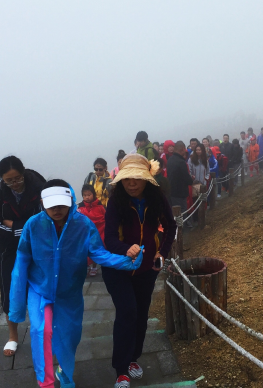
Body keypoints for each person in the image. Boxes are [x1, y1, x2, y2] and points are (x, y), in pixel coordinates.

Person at [9, 179, 143, 388]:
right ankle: (46, 383)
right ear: (43, 203)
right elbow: (21, 263)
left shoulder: (82, 225)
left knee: (69, 337)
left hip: (69, 293)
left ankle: (65, 372)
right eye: (51, 204)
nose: (57, 209)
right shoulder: (33, 226)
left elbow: (98, 253)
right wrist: (16, 309)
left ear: (71, 200)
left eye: (62, 204)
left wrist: (127, 260)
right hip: (40, 290)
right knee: (40, 331)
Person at [104, 155, 177, 388]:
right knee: (127, 312)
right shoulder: (116, 201)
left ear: (147, 179)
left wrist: (162, 253)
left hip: (147, 268)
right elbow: (110, 239)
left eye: (137, 178)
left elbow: (171, 226)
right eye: (127, 179)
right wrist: (127, 249)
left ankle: (133, 359)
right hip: (118, 268)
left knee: (141, 314)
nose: (132, 184)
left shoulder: (157, 199)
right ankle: (121, 370)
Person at [0, 155, 46, 357]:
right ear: (1, 178)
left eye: (18, 178)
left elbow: (46, 216)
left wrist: (14, 225)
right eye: (9, 180)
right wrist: (25, 228)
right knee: (10, 289)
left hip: (40, 246)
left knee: (43, 286)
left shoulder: (39, 187)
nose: (15, 184)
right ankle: (12, 336)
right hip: (9, 250)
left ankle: (46, 330)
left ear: (24, 172)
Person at [77, 184, 106, 277]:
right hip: (86, 233)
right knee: (85, 249)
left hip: (99, 232)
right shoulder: (80, 207)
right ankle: (88, 266)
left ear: (93, 194)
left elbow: (106, 218)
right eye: (84, 195)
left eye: (89, 195)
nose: (87, 197)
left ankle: (94, 267)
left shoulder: (100, 206)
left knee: (96, 249)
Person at [166, 141, 193, 215]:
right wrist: (191, 180)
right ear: (182, 149)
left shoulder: (170, 160)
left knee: (174, 211)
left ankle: (177, 226)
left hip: (171, 190)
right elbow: (186, 177)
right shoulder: (181, 162)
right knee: (182, 211)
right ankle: (182, 226)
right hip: (180, 192)